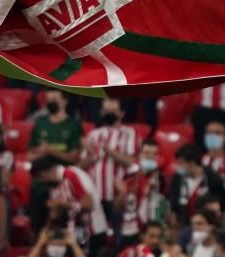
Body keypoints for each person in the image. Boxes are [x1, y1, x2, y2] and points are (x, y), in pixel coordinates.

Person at [84, 98, 139, 231]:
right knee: (97, 236)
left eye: (113, 111)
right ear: (101, 112)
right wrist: (91, 157)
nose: (109, 114)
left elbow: (132, 162)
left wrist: (110, 152)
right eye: (106, 111)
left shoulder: (129, 133)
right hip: (95, 195)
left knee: (119, 233)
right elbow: (82, 165)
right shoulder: (93, 134)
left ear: (121, 113)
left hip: (117, 195)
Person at [115, 139, 166, 247]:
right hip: (132, 230)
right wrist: (125, 193)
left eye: (154, 154)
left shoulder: (161, 177)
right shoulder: (129, 176)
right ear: (139, 155)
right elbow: (117, 206)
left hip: (153, 229)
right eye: (147, 153)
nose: (151, 156)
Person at [168, 143, 225, 226]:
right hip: (185, 223)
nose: (178, 166)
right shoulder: (177, 178)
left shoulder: (212, 178)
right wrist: (174, 214)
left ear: (192, 163)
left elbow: (222, 202)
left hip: (208, 224)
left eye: (181, 163)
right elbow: (174, 200)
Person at [28, 90, 82, 164]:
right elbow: (29, 156)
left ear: (64, 101)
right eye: (48, 100)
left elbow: (74, 158)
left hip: (63, 167)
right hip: (41, 166)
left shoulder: (73, 125)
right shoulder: (40, 123)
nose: (50, 103)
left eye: (54, 99)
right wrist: (42, 152)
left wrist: (50, 151)